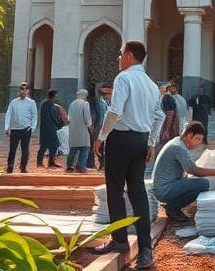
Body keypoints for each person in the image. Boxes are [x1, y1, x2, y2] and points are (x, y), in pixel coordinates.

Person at [92, 40, 165, 270]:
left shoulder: (123, 78)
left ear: (130, 55)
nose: (118, 57)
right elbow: (159, 116)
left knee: (114, 189)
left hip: (121, 140)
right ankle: (145, 251)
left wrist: (101, 137)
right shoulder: (152, 85)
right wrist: (151, 143)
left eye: (121, 53)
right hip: (141, 141)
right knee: (137, 191)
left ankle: (120, 240)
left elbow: (115, 111)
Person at [151, 122, 215, 222]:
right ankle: (173, 208)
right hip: (164, 190)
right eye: (197, 139)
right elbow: (194, 170)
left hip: (165, 187)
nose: (199, 143)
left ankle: (172, 205)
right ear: (189, 135)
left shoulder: (177, 143)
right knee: (203, 183)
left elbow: (189, 170)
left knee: (196, 182)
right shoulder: (177, 147)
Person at [5, 82, 37, 173]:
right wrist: (7, 127)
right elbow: (8, 114)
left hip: (26, 130)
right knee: (12, 150)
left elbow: (34, 115)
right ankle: (10, 167)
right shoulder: (14, 102)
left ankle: (23, 167)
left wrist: (32, 127)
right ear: (19, 90)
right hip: (14, 130)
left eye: (25, 89)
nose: (23, 91)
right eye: (22, 89)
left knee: (25, 150)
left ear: (28, 91)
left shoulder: (31, 102)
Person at [37, 90, 66, 168]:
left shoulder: (47, 104)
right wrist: (60, 123)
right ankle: (42, 162)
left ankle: (50, 161)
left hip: (47, 128)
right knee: (47, 145)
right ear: (54, 96)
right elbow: (52, 117)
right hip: (49, 128)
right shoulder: (49, 104)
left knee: (51, 145)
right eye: (57, 96)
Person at [66, 89, 93, 172]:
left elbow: (69, 118)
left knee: (73, 149)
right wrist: (90, 127)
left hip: (73, 130)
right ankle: (81, 166)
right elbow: (87, 118)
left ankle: (69, 166)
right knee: (85, 148)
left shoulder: (72, 104)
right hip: (83, 130)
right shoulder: (85, 104)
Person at [90, 82, 112, 169]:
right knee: (99, 147)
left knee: (96, 146)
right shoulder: (103, 102)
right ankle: (101, 164)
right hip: (101, 128)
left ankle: (96, 163)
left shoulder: (99, 102)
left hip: (100, 128)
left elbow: (100, 116)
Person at [157, 82, 179, 149]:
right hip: (160, 128)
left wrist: (166, 130)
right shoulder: (161, 97)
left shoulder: (167, 97)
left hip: (163, 129)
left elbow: (170, 115)